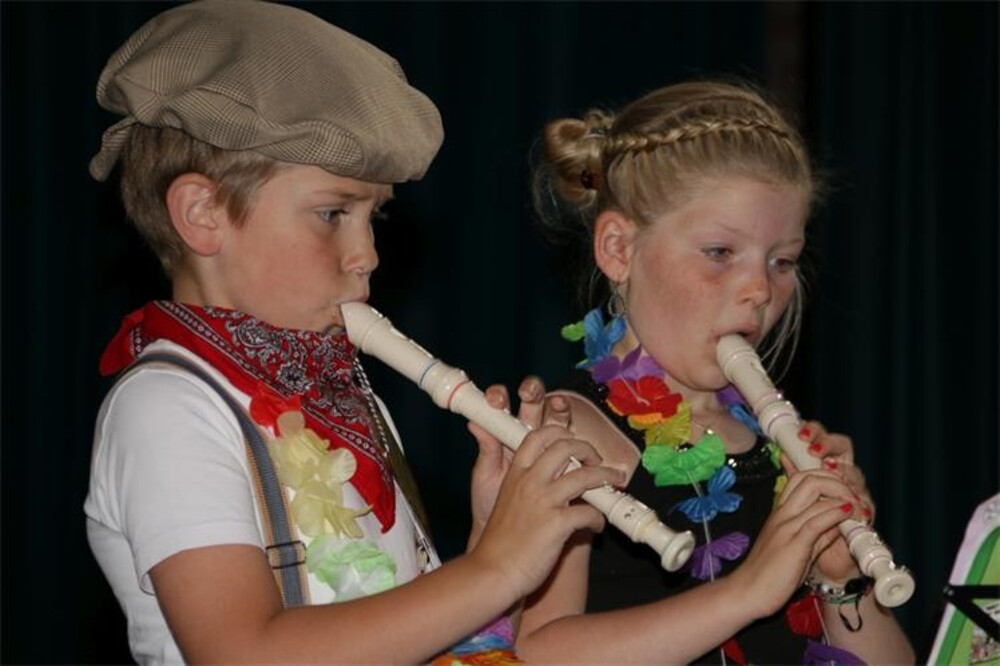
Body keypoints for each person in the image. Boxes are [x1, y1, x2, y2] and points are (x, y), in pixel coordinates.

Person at [82, 2, 623, 664]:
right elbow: (242, 653)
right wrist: (498, 567)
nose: (366, 254)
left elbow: (399, 633)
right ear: (203, 213)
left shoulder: (343, 391)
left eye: (375, 218)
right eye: (333, 213)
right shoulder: (168, 407)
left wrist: (494, 532)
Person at [513, 80, 916, 664]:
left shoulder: (777, 443)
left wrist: (839, 578)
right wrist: (748, 590)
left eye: (782, 261)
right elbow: (538, 652)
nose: (760, 290)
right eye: (721, 253)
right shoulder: (571, 431)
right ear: (619, 250)